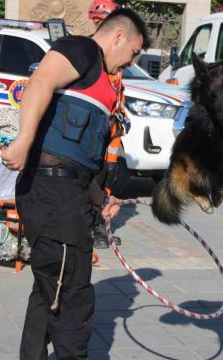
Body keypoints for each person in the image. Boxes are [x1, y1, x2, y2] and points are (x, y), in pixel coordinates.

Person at [0, 8, 149, 359]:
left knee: (50, 288)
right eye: (133, 52)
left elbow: (80, 161)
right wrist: (23, 140)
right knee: (73, 297)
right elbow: (40, 82)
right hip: (53, 195)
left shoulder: (103, 78)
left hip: (65, 192)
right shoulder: (82, 50)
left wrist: (100, 198)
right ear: (118, 37)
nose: (131, 61)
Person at [88, 0, 125, 249]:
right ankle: (92, 226)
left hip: (113, 129)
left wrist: (122, 114)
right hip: (97, 127)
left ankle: (101, 225)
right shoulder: (91, 51)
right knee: (92, 177)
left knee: (108, 176)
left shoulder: (116, 53)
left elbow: (119, 89)